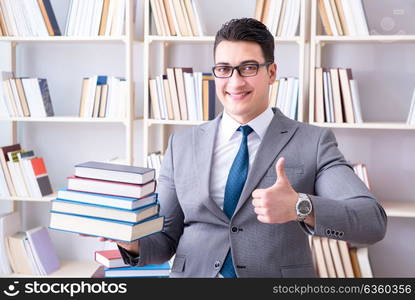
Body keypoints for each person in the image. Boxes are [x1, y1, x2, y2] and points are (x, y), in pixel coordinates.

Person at [115, 18, 387, 277]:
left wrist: (300, 206)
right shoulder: (182, 144)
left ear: (271, 73)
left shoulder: (312, 142)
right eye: (223, 69)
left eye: (248, 67)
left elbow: (372, 222)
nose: (235, 82)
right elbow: (163, 240)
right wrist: (130, 239)